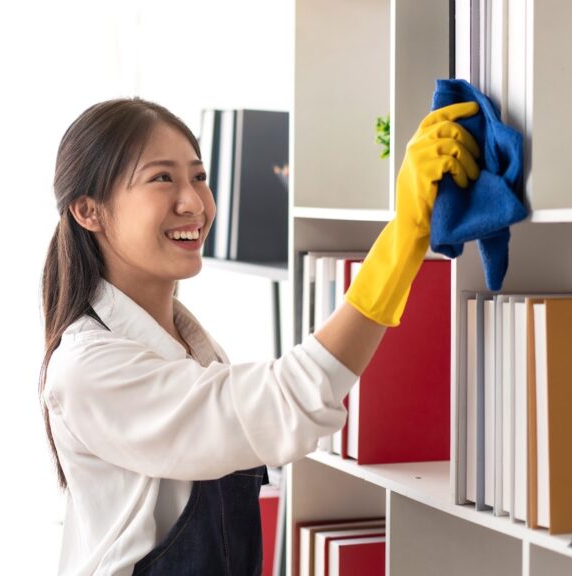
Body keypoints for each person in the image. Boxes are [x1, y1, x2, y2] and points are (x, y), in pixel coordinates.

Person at [39, 97, 480, 575]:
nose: (194, 202)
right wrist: (402, 239)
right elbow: (286, 402)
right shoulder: (90, 367)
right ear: (89, 211)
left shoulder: (194, 349)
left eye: (199, 177)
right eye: (162, 178)